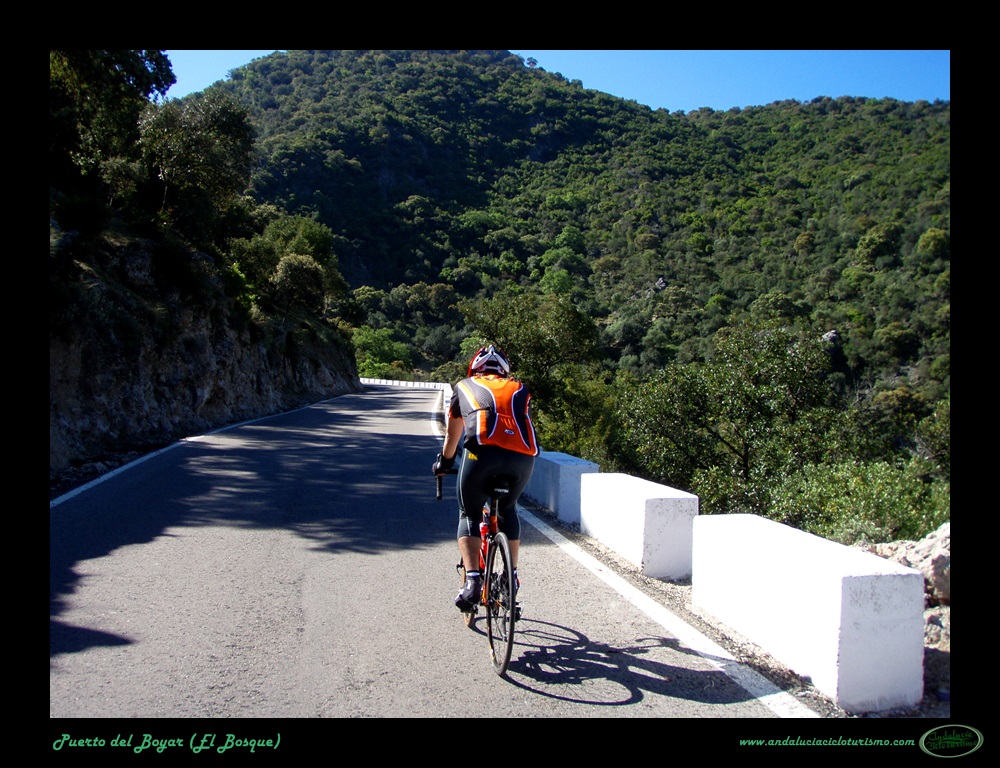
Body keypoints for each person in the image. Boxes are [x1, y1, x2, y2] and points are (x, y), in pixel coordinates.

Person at [432, 344, 539, 612]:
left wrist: (444, 463)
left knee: (469, 513)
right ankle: (511, 578)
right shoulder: (519, 388)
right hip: (522, 458)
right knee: (507, 510)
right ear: (505, 371)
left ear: (474, 369)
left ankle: (472, 581)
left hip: (481, 454)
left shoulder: (464, 386)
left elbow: (453, 436)